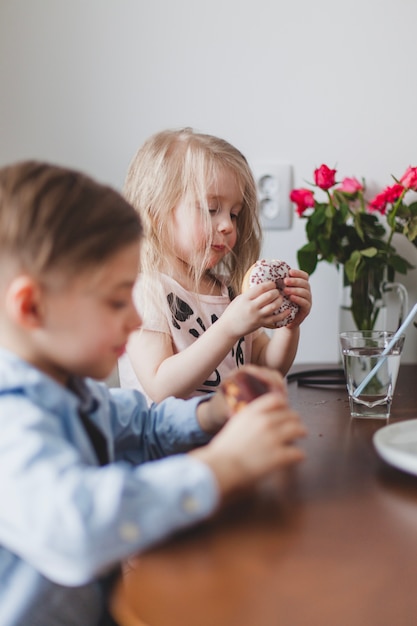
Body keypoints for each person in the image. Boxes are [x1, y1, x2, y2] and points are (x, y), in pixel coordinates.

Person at [0, 160, 307, 626]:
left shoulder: (71, 391)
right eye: (116, 299)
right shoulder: (11, 419)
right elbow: (78, 525)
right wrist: (222, 467)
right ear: (31, 307)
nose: (133, 317)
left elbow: (141, 423)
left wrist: (210, 413)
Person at [118, 127, 312, 402]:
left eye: (234, 214)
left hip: (228, 437)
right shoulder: (144, 293)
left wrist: (289, 327)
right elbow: (161, 388)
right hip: (167, 443)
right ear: (156, 213)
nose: (227, 225)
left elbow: (267, 369)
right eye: (211, 209)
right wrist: (229, 327)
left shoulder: (229, 292)